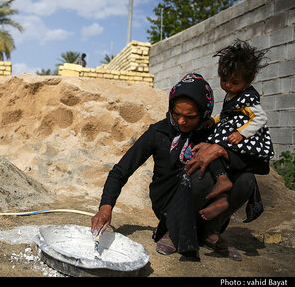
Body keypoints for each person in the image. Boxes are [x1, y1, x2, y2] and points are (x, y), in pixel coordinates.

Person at [91, 73, 268, 261]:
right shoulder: (158, 132)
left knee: (247, 180)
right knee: (200, 173)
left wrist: (220, 151)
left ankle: (209, 231)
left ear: (204, 113)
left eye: (190, 117)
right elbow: (120, 171)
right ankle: (173, 230)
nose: (182, 121)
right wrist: (105, 208)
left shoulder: (215, 131)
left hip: (203, 199)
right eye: (177, 114)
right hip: (168, 199)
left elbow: (259, 165)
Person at [200, 40, 274, 222]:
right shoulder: (233, 94)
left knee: (215, 149)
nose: (227, 85)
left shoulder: (249, 98)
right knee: (220, 155)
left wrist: (242, 133)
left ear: (248, 81)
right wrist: (213, 120)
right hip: (232, 131)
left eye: (234, 82)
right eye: (224, 80)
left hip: (243, 136)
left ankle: (223, 181)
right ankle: (229, 195)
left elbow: (261, 118)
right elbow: (226, 115)